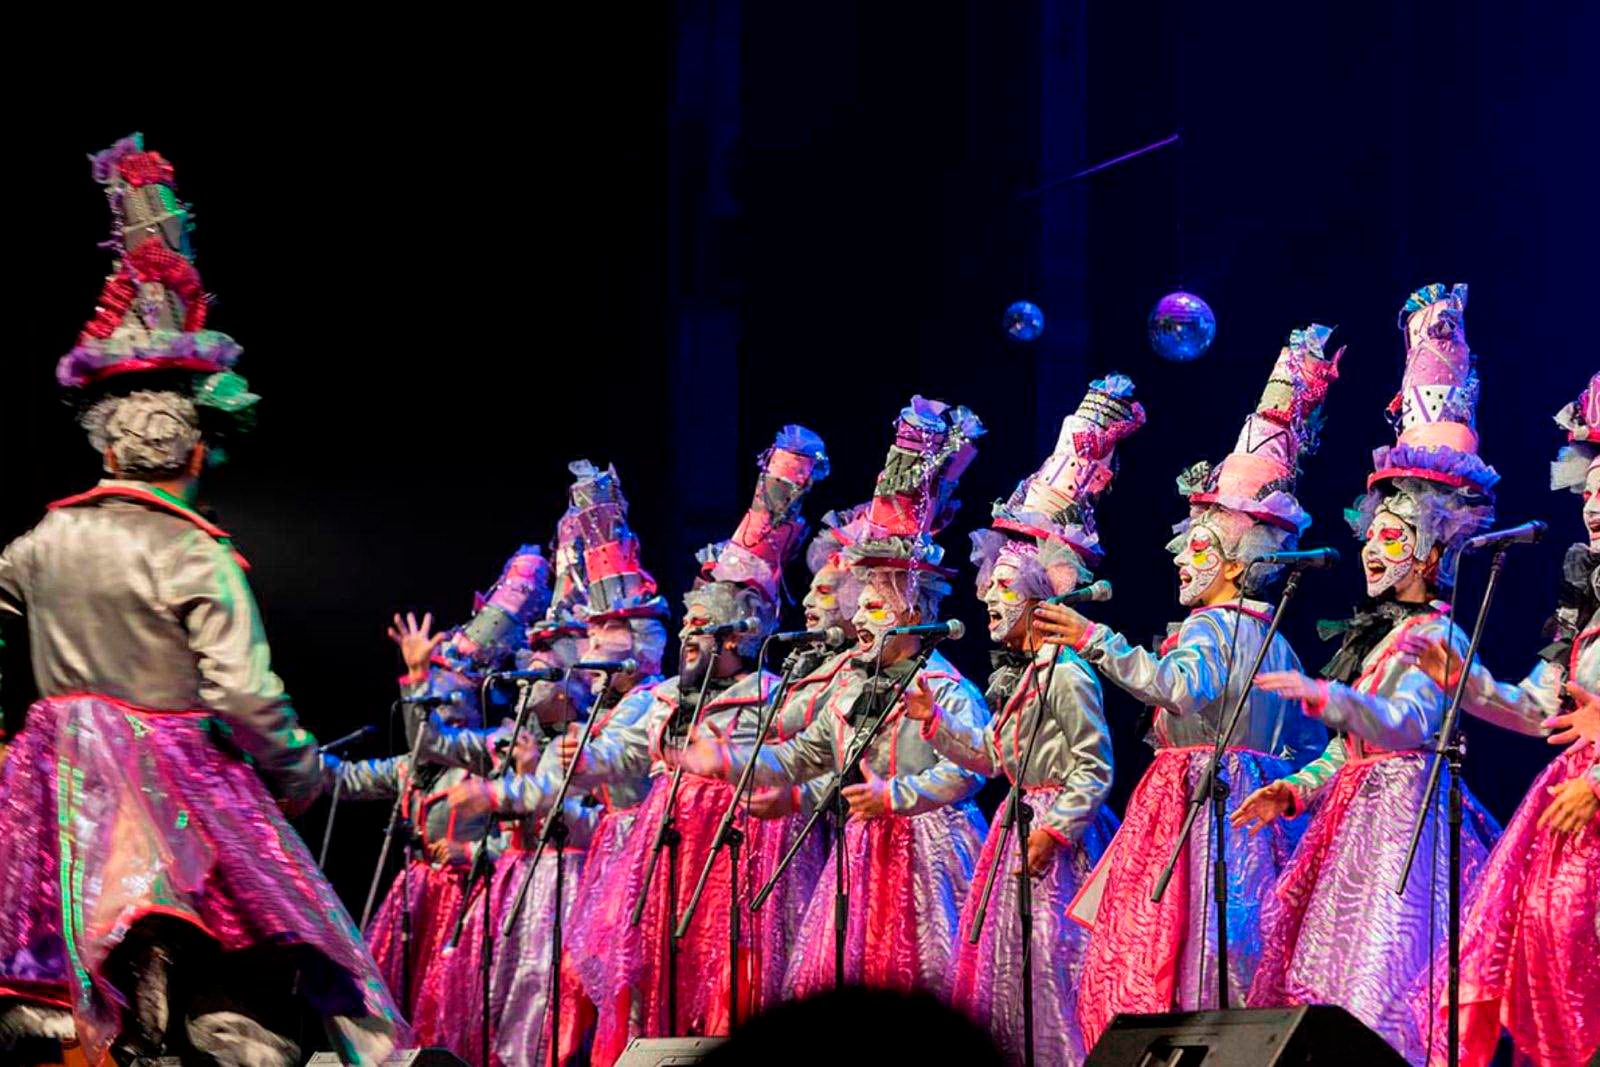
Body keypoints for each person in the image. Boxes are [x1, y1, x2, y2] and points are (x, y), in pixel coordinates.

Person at [0, 134, 401, 1065]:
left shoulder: (31, 546)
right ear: (189, 449)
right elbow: (245, 694)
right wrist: (301, 777)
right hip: (178, 797)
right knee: (258, 965)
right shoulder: (197, 553)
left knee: (78, 981)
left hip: (55, 797)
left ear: (105, 447)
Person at [1032, 330, 1338, 1049]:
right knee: (1243, 943)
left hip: (1198, 808)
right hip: (1256, 816)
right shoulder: (1274, 637)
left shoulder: (1209, 631)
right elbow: (1307, 742)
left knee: (1170, 948)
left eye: (1200, 546)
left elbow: (1173, 687)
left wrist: (1092, 636)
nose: (1182, 557)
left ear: (1238, 559)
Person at [1232, 284, 1502, 1064]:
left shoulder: (1437, 633)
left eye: (1392, 536)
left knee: (1383, 987)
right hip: (1353, 822)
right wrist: (1296, 786)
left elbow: (1407, 726)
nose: (1373, 550)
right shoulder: (1379, 636)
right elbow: (1349, 750)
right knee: (1325, 989)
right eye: (1369, 535)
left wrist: (1339, 699)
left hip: (1407, 833)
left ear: (1430, 547)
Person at [683, 398, 991, 999]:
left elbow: (972, 768)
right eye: (864, 598)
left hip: (931, 855)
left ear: (918, 609)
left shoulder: (946, 685)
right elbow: (802, 755)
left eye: (882, 600)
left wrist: (896, 795)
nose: (867, 611)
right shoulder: (849, 682)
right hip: (865, 851)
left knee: (926, 984)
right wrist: (728, 762)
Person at [548, 428, 829, 1064]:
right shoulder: (667, 695)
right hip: (667, 852)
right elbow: (622, 749)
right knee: (658, 978)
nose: (690, 638)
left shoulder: (774, 694)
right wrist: (586, 759)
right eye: (688, 626)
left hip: (742, 853)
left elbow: (810, 756)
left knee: (733, 983)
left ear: (739, 639)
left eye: (704, 629)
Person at [909, 376, 1140, 1064]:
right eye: (989, 590)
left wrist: (1056, 827)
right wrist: (937, 725)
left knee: (1055, 979)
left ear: (1040, 594)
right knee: (1013, 982)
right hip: (1022, 832)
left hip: (1056, 845)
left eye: (1004, 590)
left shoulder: (1066, 670)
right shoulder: (1027, 675)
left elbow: (1095, 765)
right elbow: (994, 754)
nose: (989, 603)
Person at [1400, 371, 1600, 1067]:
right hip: (1572, 826)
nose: (1595, 506)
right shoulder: (1585, 614)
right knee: (1553, 969)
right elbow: (1541, 708)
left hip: (1590, 803)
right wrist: (1469, 683)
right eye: (1590, 490)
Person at [443, 460, 670, 1066]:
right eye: (594, 636)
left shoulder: (653, 701)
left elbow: (606, 767)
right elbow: (551, 779)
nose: (597, 651)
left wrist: (509, 793)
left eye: (609, 636)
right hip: (606, 863)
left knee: (620, 984)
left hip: (637, 857)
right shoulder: (594, 712)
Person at [327, 547, 551, 1046]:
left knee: (452, 1015)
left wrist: (471, 853)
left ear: (472, 703)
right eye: (429, 703)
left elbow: (526, 846)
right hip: (416, 900)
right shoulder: (412, 768)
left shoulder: (494, 755)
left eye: (446, 699)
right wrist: (280, 757)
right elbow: (343, 778)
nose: (435, 714)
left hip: (472, 904)